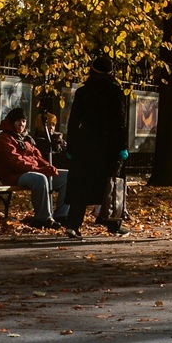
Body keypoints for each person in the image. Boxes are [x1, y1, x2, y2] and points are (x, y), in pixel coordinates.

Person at [60, 55, 129, 238]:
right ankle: (113, 224)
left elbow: (74, 122)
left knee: (81, 186)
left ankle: (73, 225)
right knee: (111, 185)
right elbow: (120, 122)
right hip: (108, 145)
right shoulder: (115, 91)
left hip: (85, 144)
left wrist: (71, 148)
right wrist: (122, 147)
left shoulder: (83, 92)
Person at [0, 108, 66, 227]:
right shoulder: (4, 138)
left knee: (67, 177)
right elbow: (14, 162)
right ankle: (42, 219)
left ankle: (62, 215)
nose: (22, 124)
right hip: (13, 175)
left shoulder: (26, 139)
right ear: (12, 122)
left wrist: (48, 166)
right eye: (18, 121)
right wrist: (39, 170)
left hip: (31, 171)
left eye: (24, 121)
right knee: (39, 178)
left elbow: (37, 156)